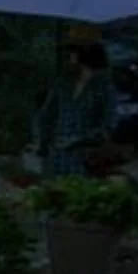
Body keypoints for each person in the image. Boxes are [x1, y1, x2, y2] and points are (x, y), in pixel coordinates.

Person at [33, 31, 121, 176]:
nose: (70, 56)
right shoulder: (63, 84)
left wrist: (80, 140)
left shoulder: (105, 88)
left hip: (86, 159)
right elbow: (46, 115)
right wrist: (41, 142)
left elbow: (109, 124)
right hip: (57, 157)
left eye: (74, 51)